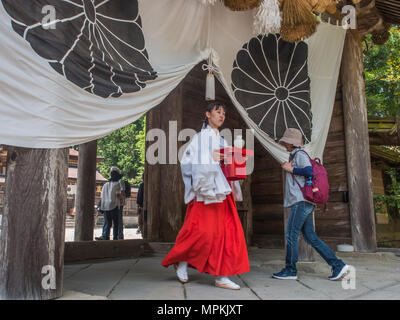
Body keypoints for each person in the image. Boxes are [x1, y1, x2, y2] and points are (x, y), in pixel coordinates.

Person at [161, 102, 250, 290]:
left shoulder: (222, 140)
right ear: (207, 114)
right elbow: (187, 162)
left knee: (227, 233)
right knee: (200, 232)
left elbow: (227, 162)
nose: (222, 115)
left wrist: (235, 159)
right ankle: (182, 261)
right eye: (218, 112)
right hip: (206, 191)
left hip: (221, 191)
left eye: (224, 113)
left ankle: (222, 275)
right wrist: (210, 158)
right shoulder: (200, 138)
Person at [272, 128, 349, 281]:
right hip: (306, 202)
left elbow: (308, 171)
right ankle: (338, 265)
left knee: (291, 235)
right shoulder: (295, 154)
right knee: (310, 237)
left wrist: (291, 169)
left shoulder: (299, 154)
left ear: (290, 143)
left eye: (285, 142)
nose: (284, 144)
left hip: (301, 201)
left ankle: (290, 270)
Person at [95, 167, 121, 241]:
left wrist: (100, 205)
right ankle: (115, 237)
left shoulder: (105, 185)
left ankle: (105, 236)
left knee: (107, 222)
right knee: (115, 223)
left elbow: (102, 197)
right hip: (114, 205)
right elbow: (119, 195)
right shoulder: (118, 184)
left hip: (105, 206)